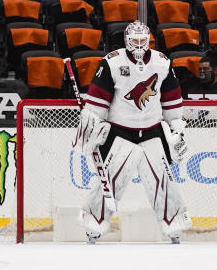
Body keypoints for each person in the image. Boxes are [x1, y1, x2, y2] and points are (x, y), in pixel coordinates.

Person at [78, 20, 190, 244]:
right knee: (109, 179)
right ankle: (94, 223)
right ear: (127, 41)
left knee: (162, 177)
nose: (139, 45)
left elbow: (171, 99)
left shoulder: (162, 62)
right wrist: (93, 126)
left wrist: (177, 127)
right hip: (120, 131)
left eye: (143, 41)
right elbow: (98, 101)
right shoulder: (111, 62)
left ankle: (173, 224)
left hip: (152, 130)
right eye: (135, 41)